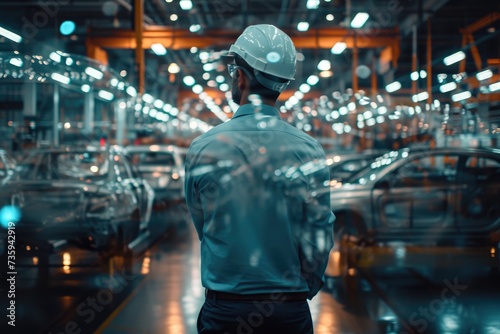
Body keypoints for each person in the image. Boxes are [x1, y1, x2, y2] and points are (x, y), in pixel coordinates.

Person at [184, 24, 335, 334]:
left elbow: (202, 223)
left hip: (225, 310)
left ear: (240, 75)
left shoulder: (204, 147)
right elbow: (320, 231)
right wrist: (301, 288)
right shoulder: (309, 150)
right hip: (289, 310)